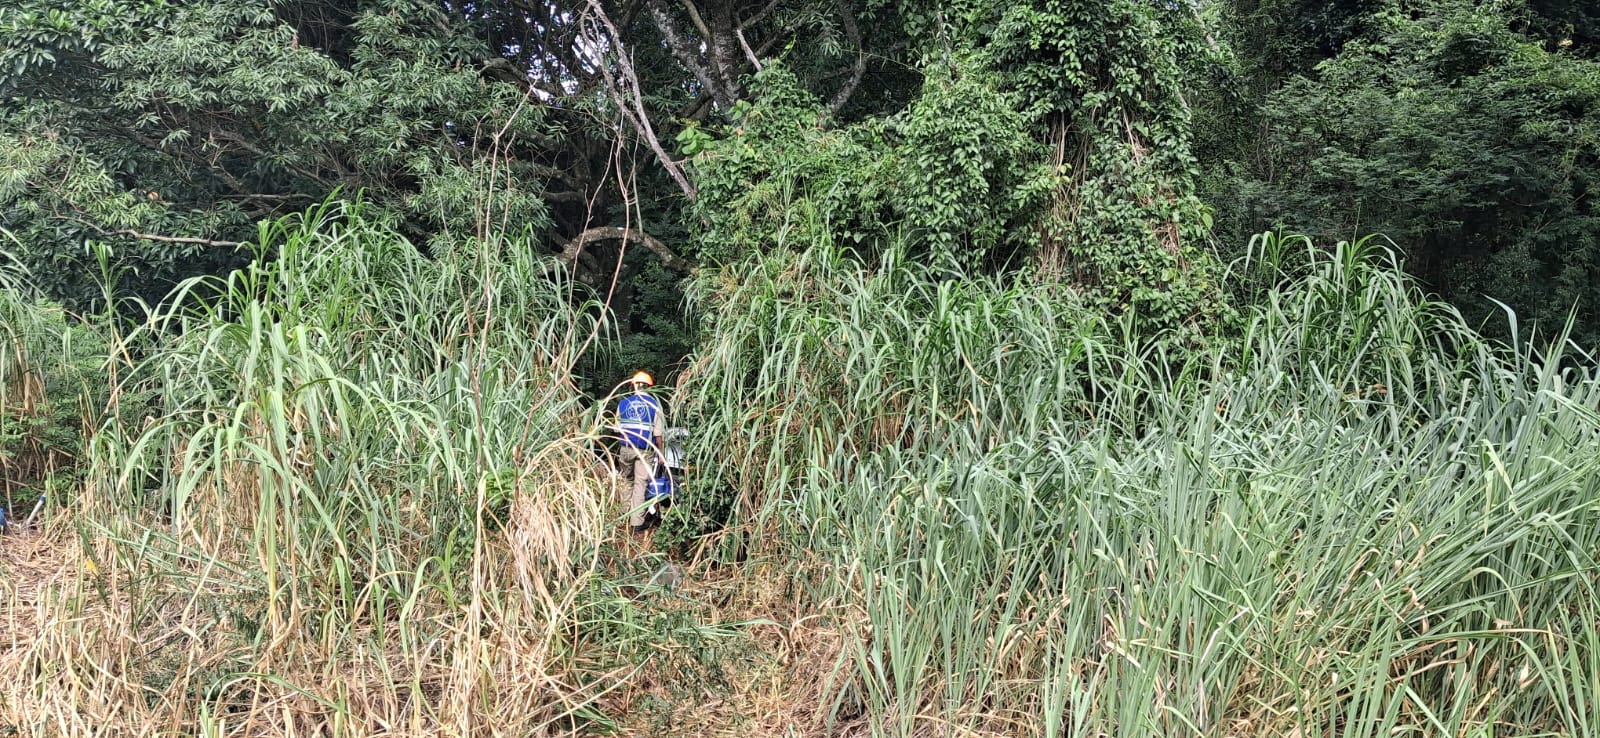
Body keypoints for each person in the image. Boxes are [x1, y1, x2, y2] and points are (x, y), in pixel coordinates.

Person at [614, 370, 664, 533]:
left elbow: (616, 429)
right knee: (640, 484)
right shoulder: (654, 405)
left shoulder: (623, 404)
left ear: (633, 386)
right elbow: (658, 434)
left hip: (626, 449)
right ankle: (636, 523)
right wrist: (661, 454)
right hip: (645, 450)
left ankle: (623, 516)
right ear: (649, 388)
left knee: (626, 480)